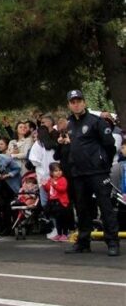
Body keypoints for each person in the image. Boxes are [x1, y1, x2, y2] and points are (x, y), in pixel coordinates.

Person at [56, 90, 119, 257]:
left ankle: (112, 241)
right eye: (73, 102)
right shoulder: (68, 124)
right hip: (78, 173)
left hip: (97, 172)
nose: (76, 104)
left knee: (105, 206)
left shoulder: (96, 122)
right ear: (69, 105)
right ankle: (83, 242)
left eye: (78, 101)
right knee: (82, 208)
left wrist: (103, 163)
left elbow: (110, 145)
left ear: (84, 102)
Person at [42, 162, 72, 242]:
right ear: (51, 172)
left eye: (59, 170)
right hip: (53, 202)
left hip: (62, 203)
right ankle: (59, 234)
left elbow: (63, 189)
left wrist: (55, 185)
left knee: (64, 219)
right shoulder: (50, 180)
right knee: (57, 219)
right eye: (56, 171)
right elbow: (48, 190)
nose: (58, 172)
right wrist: (45, 185)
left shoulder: (63, 179)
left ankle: (65, 234)